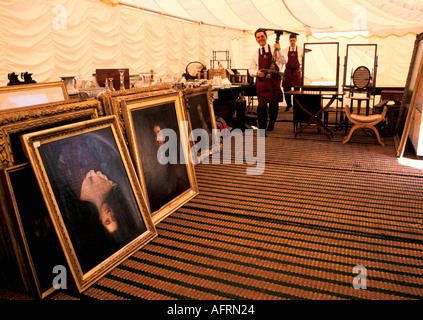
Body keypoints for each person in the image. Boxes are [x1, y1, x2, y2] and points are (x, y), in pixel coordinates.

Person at [249, 28, 287, 135]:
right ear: (256, 40)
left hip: (274, 82)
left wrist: (279, 50)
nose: (260, 39)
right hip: (262, 83)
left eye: (262, 36)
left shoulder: (275, 49)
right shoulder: (255, 54)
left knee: (273, 106)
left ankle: (271, 123)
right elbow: (251, 69)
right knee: (261, 107)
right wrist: (257, 73)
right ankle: (262, 129)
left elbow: (285, 61)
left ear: (266, 37)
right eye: (258, 37)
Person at [282, 33, 303, 111]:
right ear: (289, 41)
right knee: (286, 90)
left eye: (293, 40)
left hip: (296, 72)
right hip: (287, 71)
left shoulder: (301, 50)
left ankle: (296, 106)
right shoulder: (285, 50)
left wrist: (302, 67)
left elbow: (304, 60)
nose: (292, 42)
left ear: (296, 40)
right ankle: (288, 105)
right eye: (291, 40)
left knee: (297, 90)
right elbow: (281, 60)